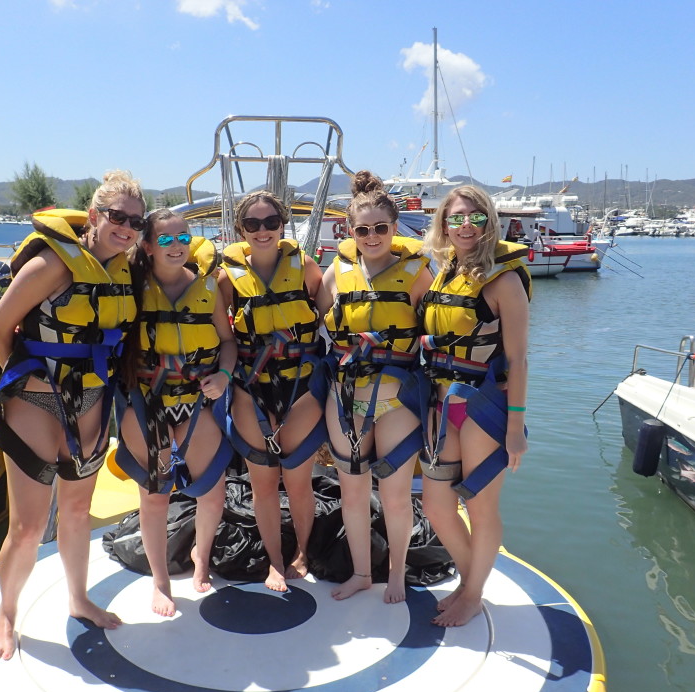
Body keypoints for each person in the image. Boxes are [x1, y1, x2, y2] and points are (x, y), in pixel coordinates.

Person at [0, 170, 145, 661]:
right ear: (94, 216)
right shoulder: (53, 265)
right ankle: (6, 614)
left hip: (92, 402)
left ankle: (79, 599)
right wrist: (30, 374)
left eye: (135, 221)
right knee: (29, 527)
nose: (126, 227)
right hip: (35, 400)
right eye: (117, 217)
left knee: (76, 512)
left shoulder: (124, 270)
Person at [315, 171, 433, 603]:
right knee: (353, 492)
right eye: (362, 229)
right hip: (345, 399)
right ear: (350, 231)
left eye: (380, 228)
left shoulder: (417, 274)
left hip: (397, 401)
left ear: (395, 227)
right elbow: (314, 325)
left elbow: (441, 330)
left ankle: (397, 573)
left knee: (397, 496)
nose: (371, 236)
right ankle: (362, 573)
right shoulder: (337, 272)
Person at [417, 185, 530, 627]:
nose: (466, 226)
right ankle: (471, 583)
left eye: (475, 217)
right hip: (443, 404)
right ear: (444, 224)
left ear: (489, 222)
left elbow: (519, 358)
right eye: (457, 217)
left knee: (481, 508)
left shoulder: (503, 280)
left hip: (484, 406)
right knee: (437, 505)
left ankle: (473, 592)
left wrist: (515, 427)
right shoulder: (445, 270)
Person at [114, 209, 236, 617]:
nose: (177, 246)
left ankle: (202, 559)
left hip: (197, 399)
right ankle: (161, 582)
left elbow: (227, 341)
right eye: (165, 239)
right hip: (148, 401)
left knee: (212, 491)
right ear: (147, 246)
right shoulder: (130, 285)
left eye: (183, 237)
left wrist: (223, 374)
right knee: (154, 496)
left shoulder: (208, 286)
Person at [217, 191, 326, 592]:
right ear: (240, 230)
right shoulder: (226, 279)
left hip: (301, 385)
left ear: (282, 226)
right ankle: (275, 562)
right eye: (252, 224)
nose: (262, 231)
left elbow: (333, 320)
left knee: (298, 480)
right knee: (262, 482)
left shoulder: (306, 268)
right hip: (251, 387)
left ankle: (301, 552)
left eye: (270, 223)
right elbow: (219, 333)